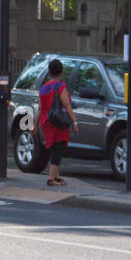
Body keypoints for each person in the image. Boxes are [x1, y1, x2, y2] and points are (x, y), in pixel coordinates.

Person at [37, 57, 77, 187]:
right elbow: (66, 103)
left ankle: (56, 176)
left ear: (49, 72)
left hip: (46, 122)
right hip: (58, 122)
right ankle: (51, 178)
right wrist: (74, 121)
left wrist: (34, 125)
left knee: (54, 147)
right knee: (59, 148)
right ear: (61, 71)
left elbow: (40, 108)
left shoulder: (43, 88)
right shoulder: (61, 86)